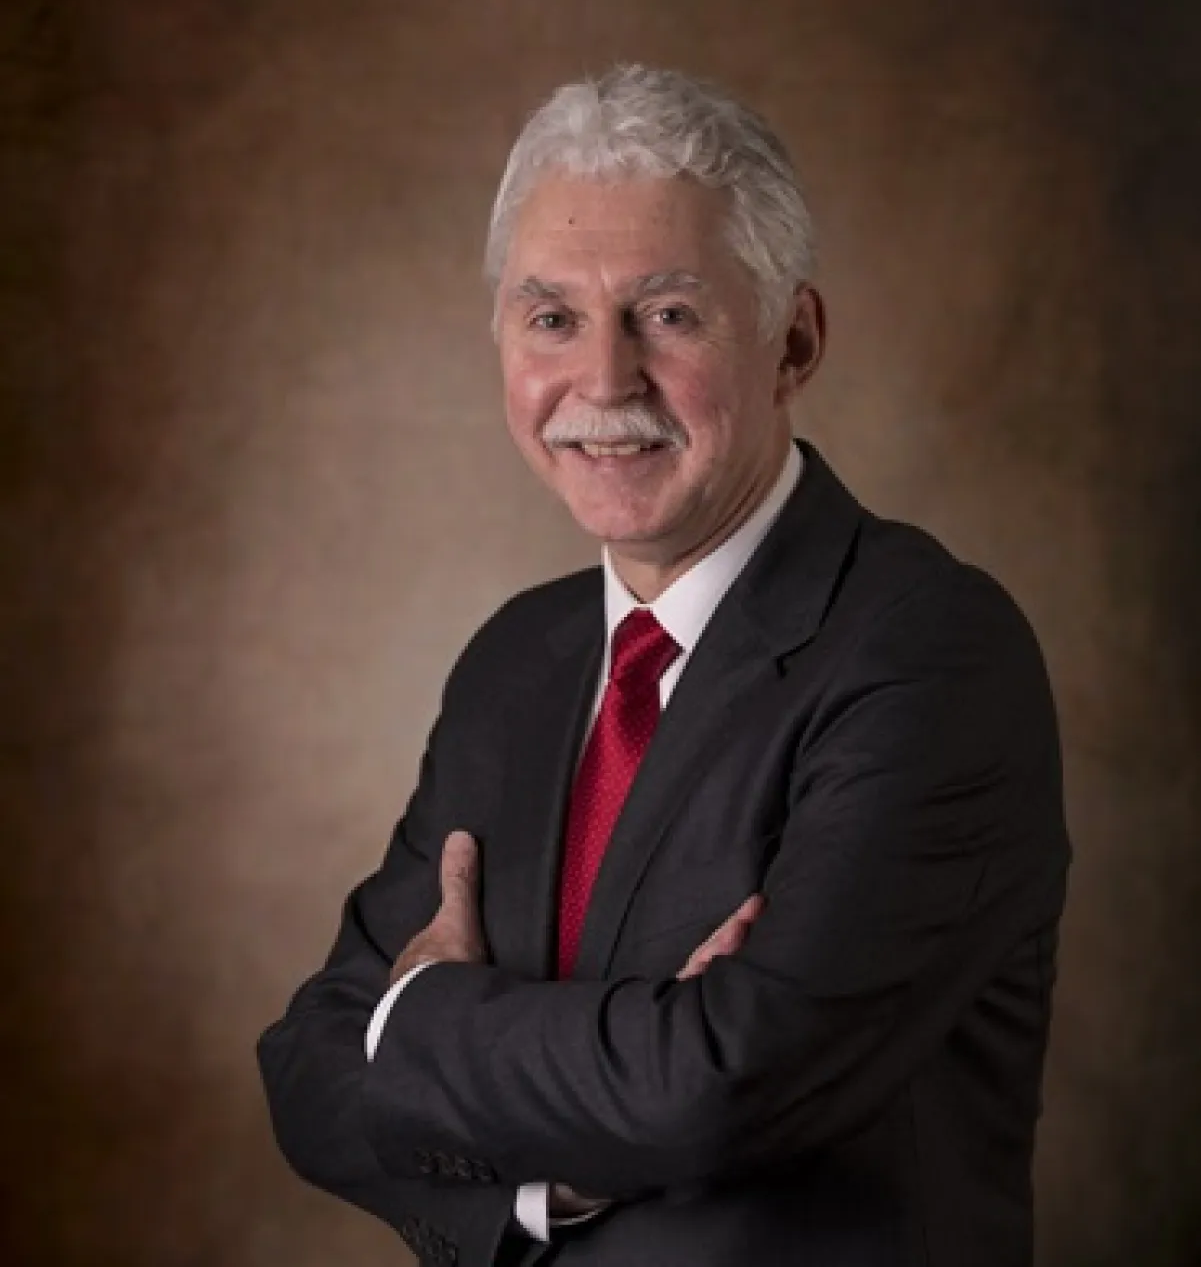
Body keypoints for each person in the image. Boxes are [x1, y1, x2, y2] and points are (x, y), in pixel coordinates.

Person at [256, 64, 1070, 1267]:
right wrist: (565, 1172)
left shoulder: (931, 653)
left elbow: (721, 1082)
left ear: (793, 340)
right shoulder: (515, 662)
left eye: (669, 315)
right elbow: (310, 1066)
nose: (603, 381)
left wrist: (420, 1017)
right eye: (552, 319)